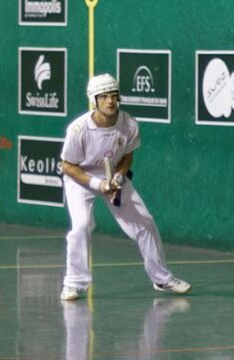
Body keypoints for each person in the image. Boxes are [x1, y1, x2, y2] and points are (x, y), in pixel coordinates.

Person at [59, 74, 190, 301]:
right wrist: (97, 183)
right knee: (81, 226)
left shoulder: (129, 123)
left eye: (114, 96)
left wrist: (118, 176)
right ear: (94, 99)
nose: (110, 101)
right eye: (104, 97)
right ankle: (73, 284)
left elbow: (128, 157)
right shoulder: (78, 130)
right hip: (81, 179)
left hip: (113, 178)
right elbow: (67, 166)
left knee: (145, 222)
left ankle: (161, 278)